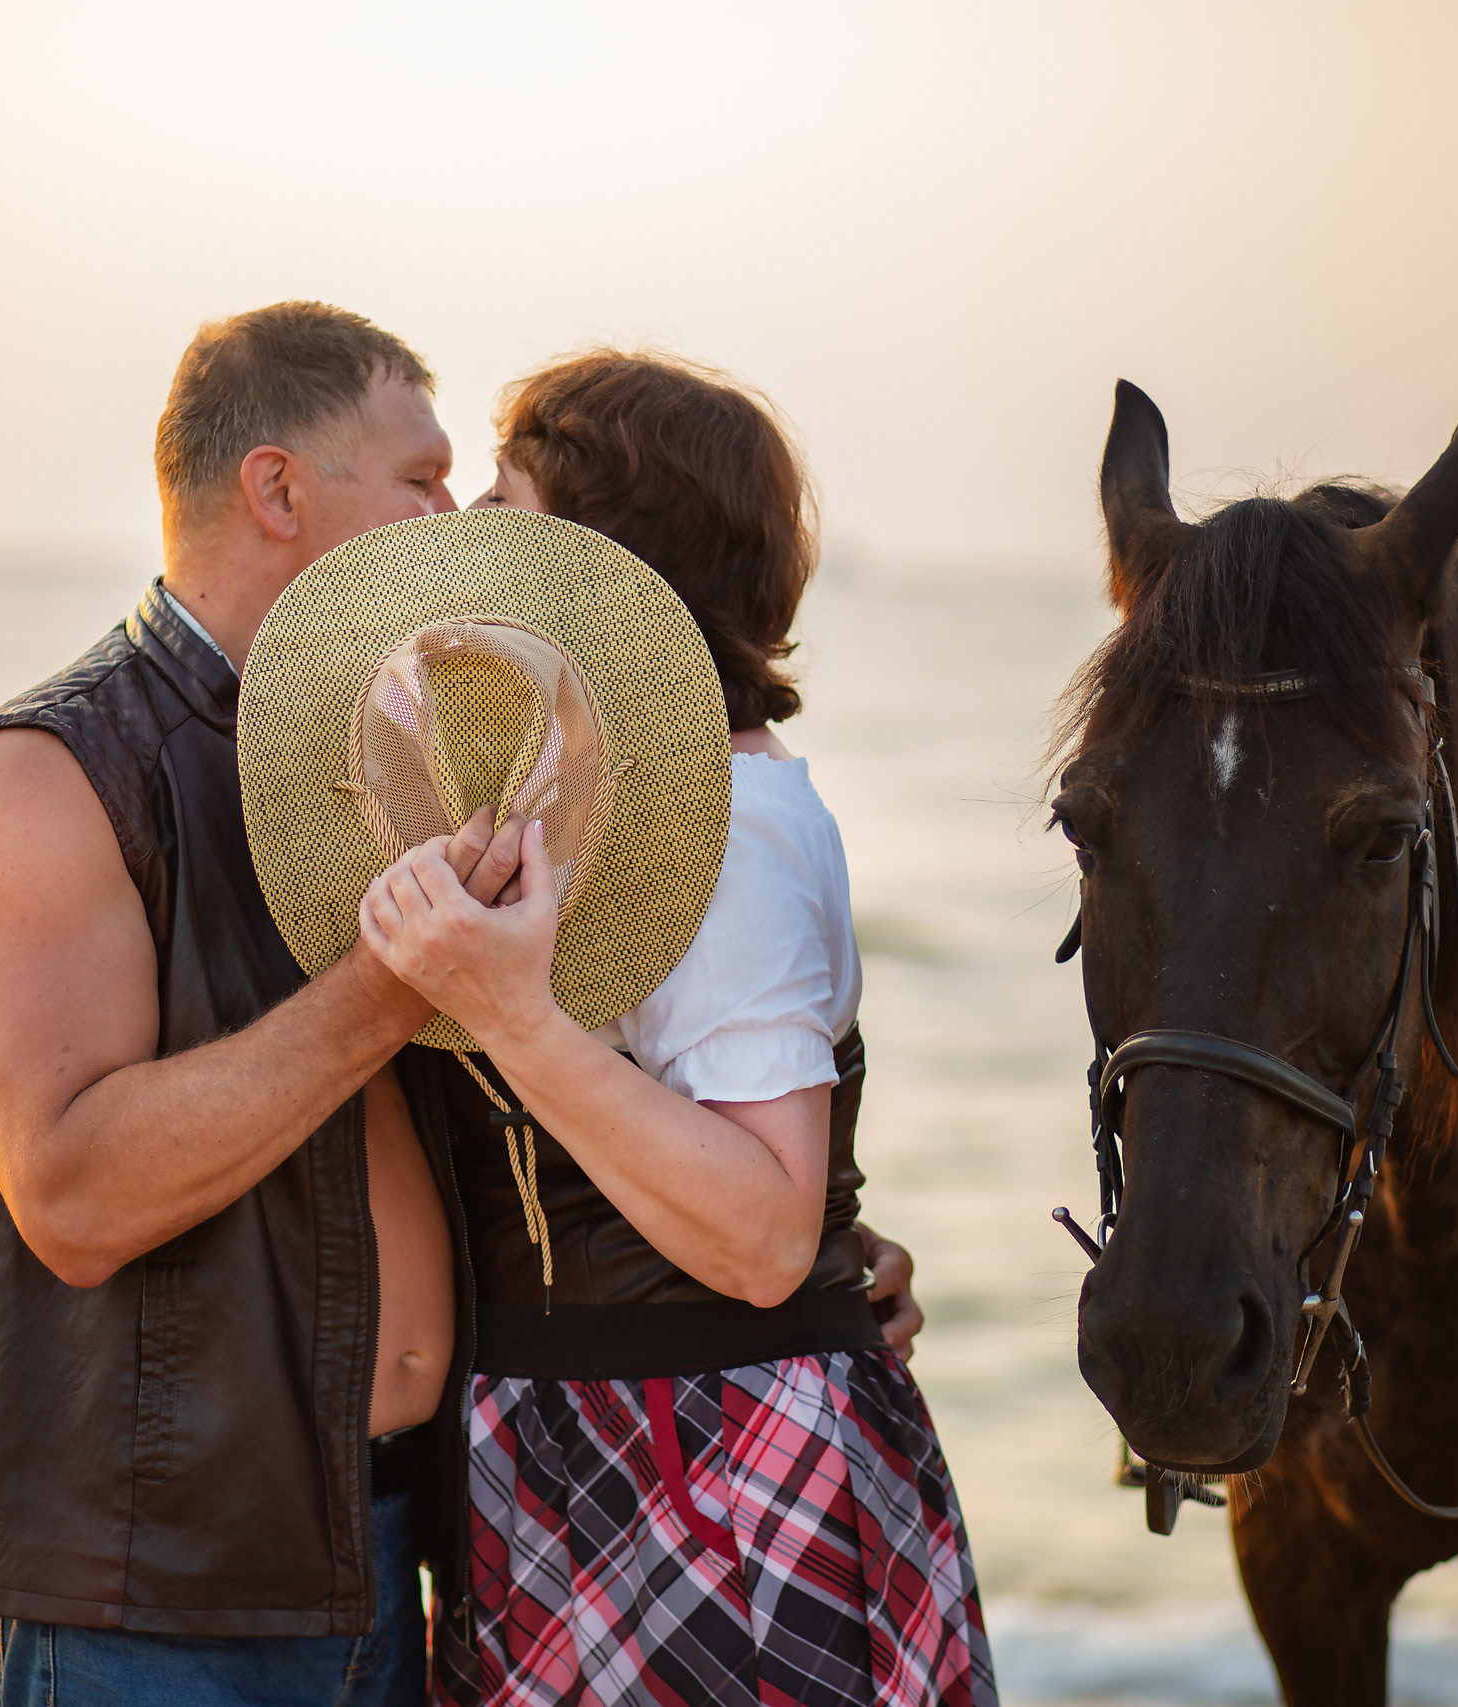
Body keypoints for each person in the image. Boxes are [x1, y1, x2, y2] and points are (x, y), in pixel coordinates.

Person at [0, 303, 926, 1705]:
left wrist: (813, 1257)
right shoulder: (51, 775)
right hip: (160, 1587)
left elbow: (573, 1103)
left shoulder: (410, 752)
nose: (456, 522)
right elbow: (69, 1195)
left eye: (471, 487)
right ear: (277, 490)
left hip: (422, 1540)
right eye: (425, 481)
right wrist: (400, 985)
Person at [357, 353, 993, 1706]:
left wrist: (515, 1018)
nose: (469, 522)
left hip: (713, 1473)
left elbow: (763, 1233)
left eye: (506, 494)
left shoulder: (730, 828)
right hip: (589, 1453)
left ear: (603, 561)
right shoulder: (634, 804)